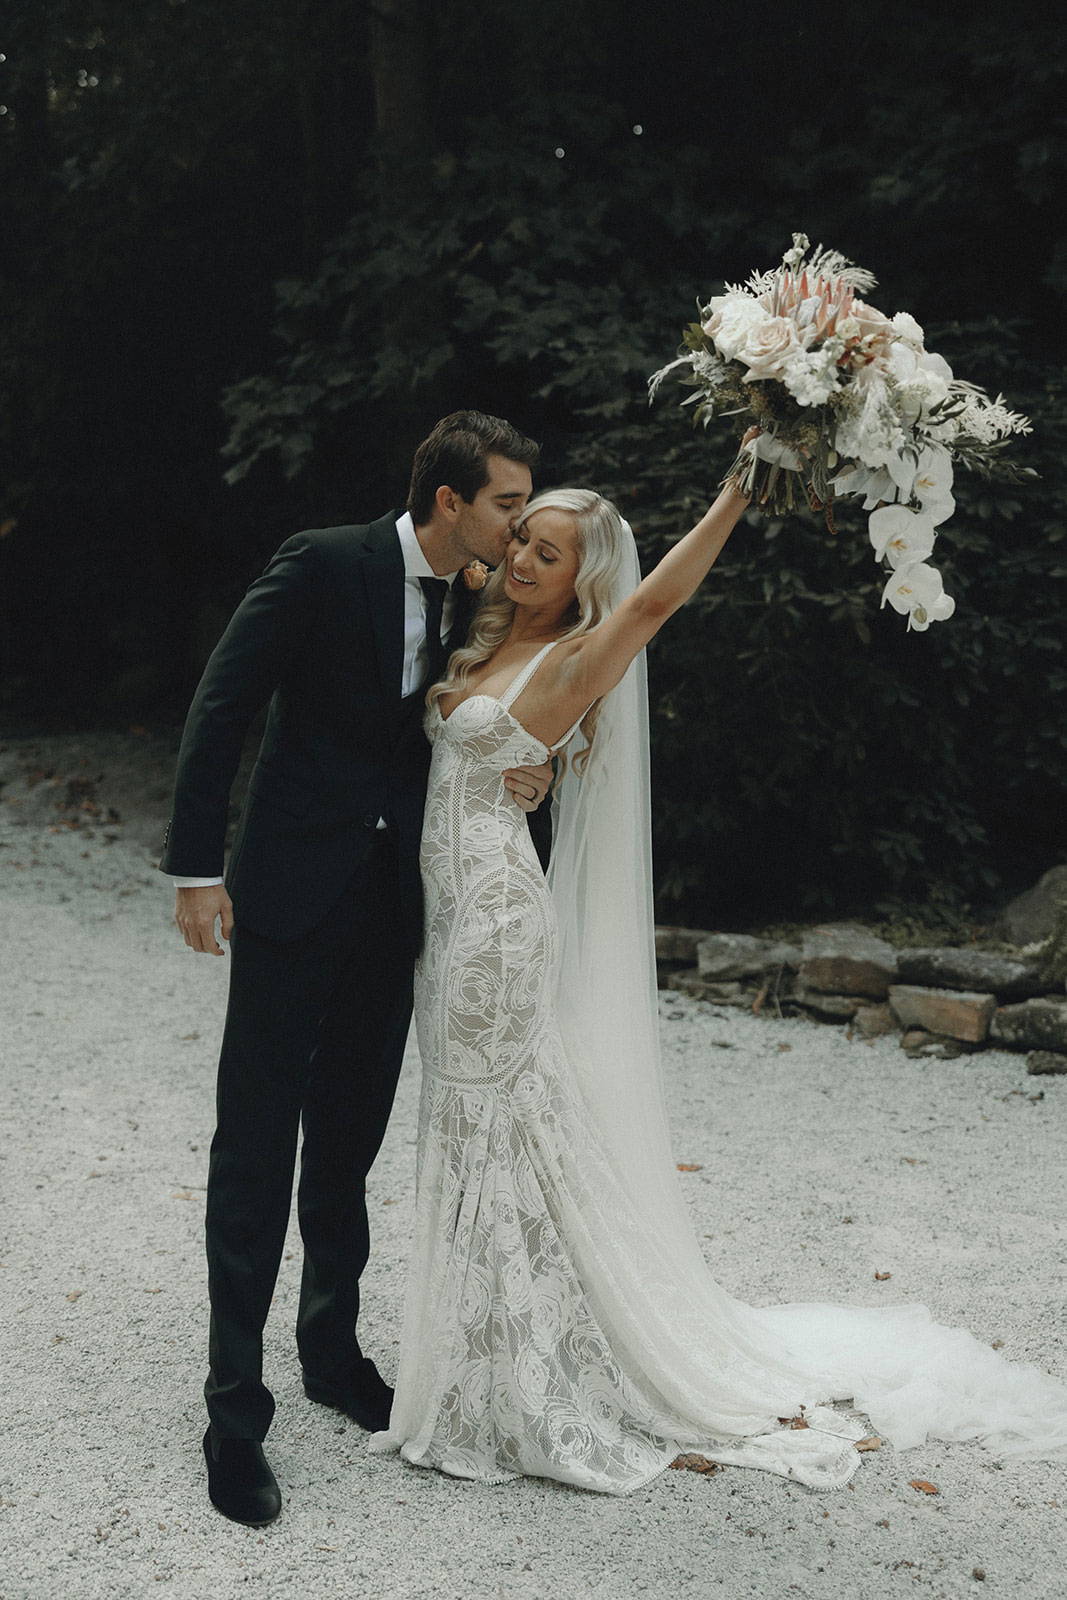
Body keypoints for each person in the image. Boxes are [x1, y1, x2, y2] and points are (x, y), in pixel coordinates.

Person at [369, 439, 1067, 1494]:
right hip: (448, 918)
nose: (520, 561)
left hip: (498, 925)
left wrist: (739, 488)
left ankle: (520, 1372)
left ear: (579, 581)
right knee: (478, 1125)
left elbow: (651, 604)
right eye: (520, 539)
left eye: (547, 555)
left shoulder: (577, 653)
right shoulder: (481, 635)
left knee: (496, 1123)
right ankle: (483, 1351)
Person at [161, 411, 556, 1526]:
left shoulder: (485, 600)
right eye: (503, 503)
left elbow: (516, 716)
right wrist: (198, 871)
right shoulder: (321, 562)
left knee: (347, 1144)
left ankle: (329, 1354)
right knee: (254, 1149)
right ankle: (233, 1413)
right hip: (287, 896)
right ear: (445, 500)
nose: (516, 525)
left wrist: (530, 785)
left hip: (396, 911)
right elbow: (222, 705)